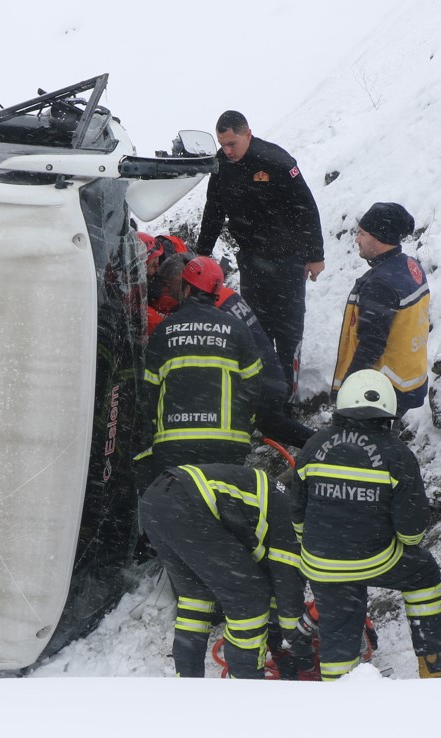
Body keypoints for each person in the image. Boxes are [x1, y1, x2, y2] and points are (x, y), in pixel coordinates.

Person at [287, 369, 441, 680]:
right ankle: (431, 661)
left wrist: (318, 546)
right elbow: (412, 531)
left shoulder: (313, 445)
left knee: (339, 625)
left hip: (319, 560)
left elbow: (297, 511)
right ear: (388, 410)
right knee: (422, 571)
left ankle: (337, 685)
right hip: (373, 558)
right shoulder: (396, 454)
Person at [196, 110, 325, 391]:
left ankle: (288, 394)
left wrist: (316, 256)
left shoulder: (275, 160)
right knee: (257, 328)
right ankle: (265, 393)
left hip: (288, 258)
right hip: (252, 259)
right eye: (223, 144)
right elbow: (214, 210)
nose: (228, 151)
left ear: (248, 134)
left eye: (233, 144)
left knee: (288, 330)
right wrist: (201, 253)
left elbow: (306, 207)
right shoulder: (222, 165)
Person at [139, 463, 306, 678]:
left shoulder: (274, 502)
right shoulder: (291, 518)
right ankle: (243, 686)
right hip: (186, 500)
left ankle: (187, 684)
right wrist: (302, 656)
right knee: (248, 595)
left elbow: (278, 596)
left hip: (157, 500)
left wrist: (282, 652)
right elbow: (288, 597)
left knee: (195, 599)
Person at [150, 252, 314, 447]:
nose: (168, 293)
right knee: (274, 425)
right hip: (269, 375)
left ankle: (320, 446)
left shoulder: (211, 312)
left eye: (170, 286)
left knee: (271, 425)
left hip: (258, 381)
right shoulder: (223, 295)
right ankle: (319, 445)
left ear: (184, 282)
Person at [134, 256, 263, 485]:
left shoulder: (164, 331)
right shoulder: (238, 330)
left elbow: (148, 392)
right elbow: (254, 387)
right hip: (228, 445)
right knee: (222, 508)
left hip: (174, 444)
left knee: (178, 507)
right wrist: (245, 424)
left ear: (186, 289)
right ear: (216, 294)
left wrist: (156, 429)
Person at [333, 202, 432, 415]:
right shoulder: (409, 265)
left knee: (367, 445)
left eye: (362, 234)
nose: (357, 240)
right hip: (407, 379)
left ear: (379, 238)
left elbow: (371, 345)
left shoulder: (380, 285)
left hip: (382, 390)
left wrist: (349, 386)